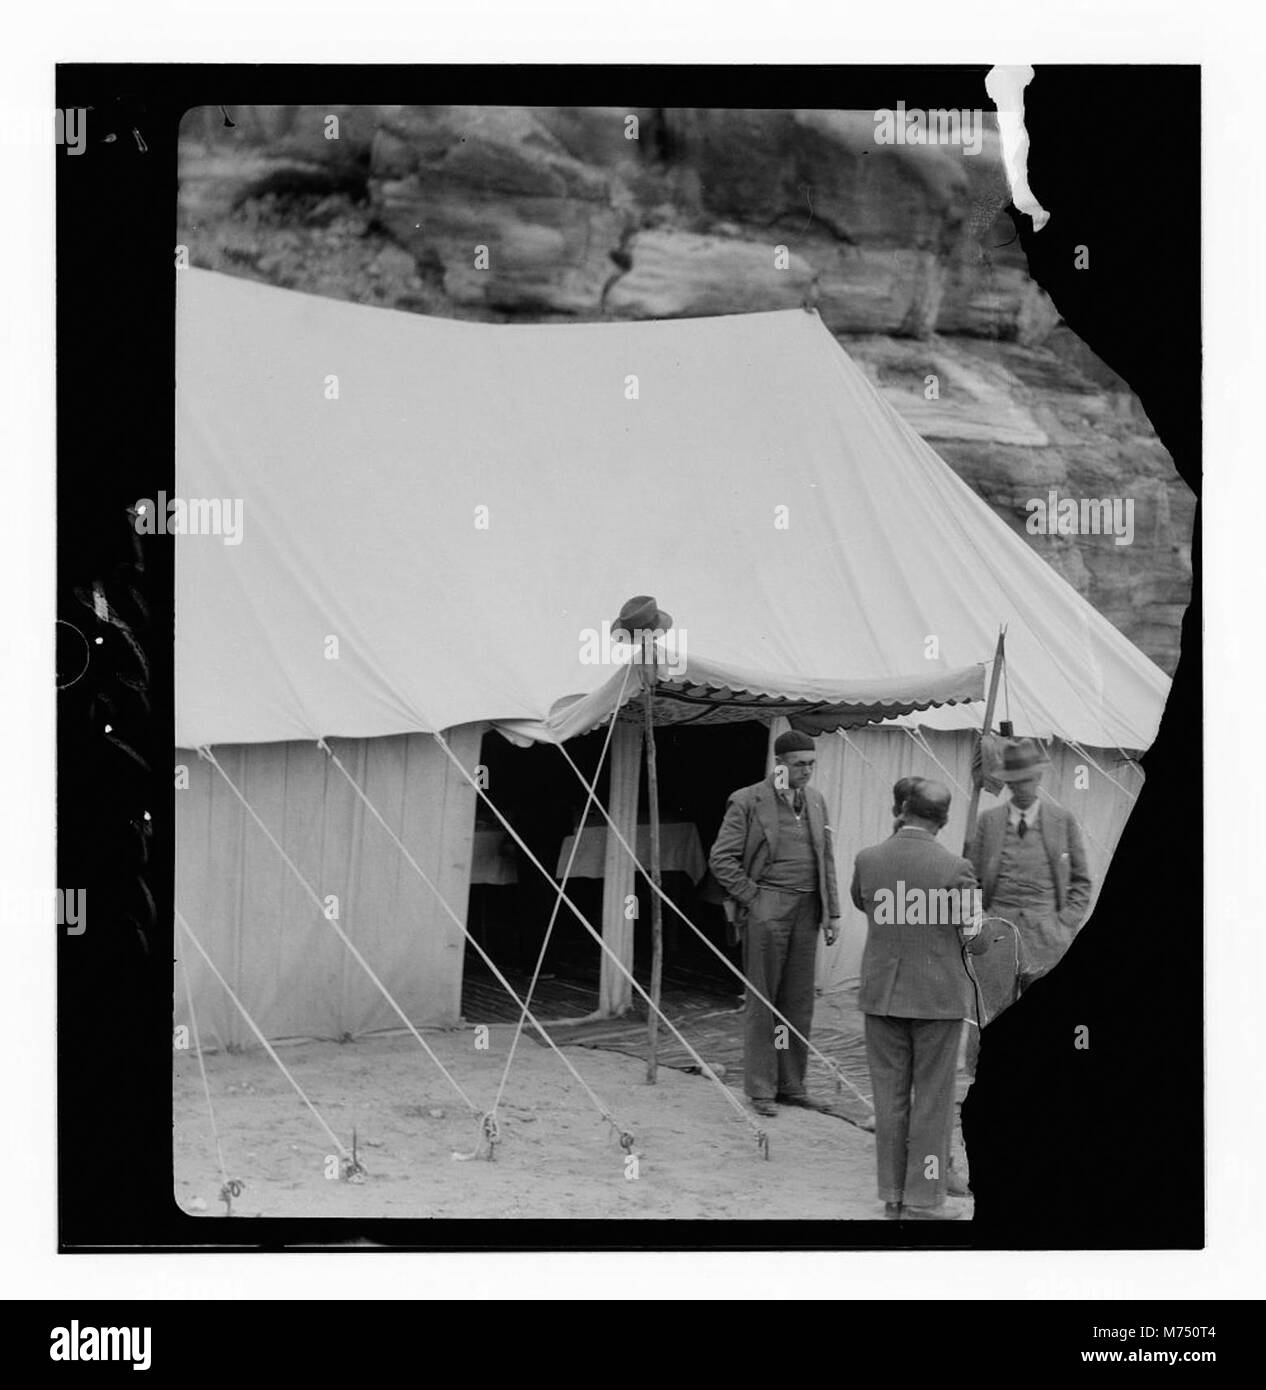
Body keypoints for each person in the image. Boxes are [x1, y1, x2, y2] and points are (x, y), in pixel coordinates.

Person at [851, 778, 987, 1219]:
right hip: (936, 999)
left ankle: (892, 1195)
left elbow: (865, 904)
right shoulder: (956, 868)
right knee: (932, 1101)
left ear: (902, 810)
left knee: (889, 1099)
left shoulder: (868, 859)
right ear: (943, 820)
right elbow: (976, 937)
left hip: (882, 994)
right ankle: (923, 1199)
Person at [708, 730, 840, 1118]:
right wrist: (754, 898)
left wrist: (832, 912)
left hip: (808, 909)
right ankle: (762, 1088)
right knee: (763, 1000)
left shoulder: (815, 801)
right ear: (779, 764)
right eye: (799, 764)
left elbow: (826, 858)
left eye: (812, 764)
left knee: (797, 1003)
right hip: (768, 907)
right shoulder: (748, 800)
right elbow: (721, 859)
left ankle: (791, 1085)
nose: (807, 771)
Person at [967, 738, 1092, 1035]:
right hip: (999, 935)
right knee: (994, 1016)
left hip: (1048, 937)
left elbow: (1082, 881)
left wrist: (1065, 923)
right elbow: (972, 880)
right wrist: (982, 922)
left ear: (1038, 778)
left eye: (1028, 780)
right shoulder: (989, 821)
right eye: (1016, 781)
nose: (1022, 787)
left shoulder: (1062, 821)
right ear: (1008, 782)